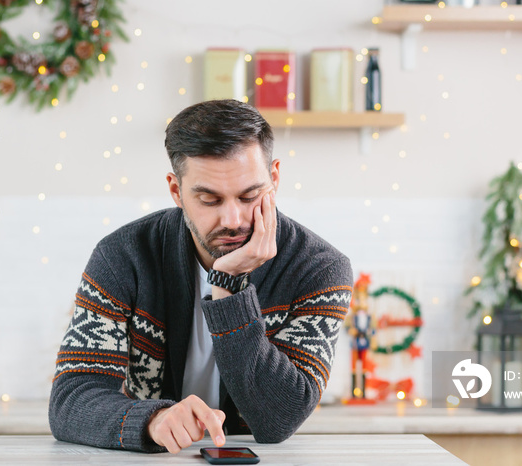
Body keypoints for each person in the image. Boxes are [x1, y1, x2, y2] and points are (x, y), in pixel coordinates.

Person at [48, 99, 353, 454]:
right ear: (176, 191)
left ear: (274, 178)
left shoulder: (318, 270)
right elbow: (70, 401)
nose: (233, 219)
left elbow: (277, 419)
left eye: (249, 195)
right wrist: (153, 420)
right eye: (209, 199)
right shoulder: (122, 256)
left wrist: (228, 286)